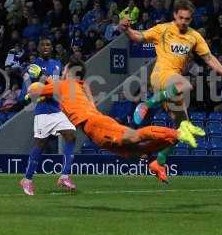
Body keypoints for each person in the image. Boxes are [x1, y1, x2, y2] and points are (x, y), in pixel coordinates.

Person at [119, 0, 222, 182]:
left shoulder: (194, 36)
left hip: (173, 84)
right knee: (186, 84)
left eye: (187, 19)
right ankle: (148, 103)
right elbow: (139, 37)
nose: (184, 22)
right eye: (181, 18)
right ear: (175, 16)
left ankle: (159, 162)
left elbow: (209, 59)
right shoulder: (163, 29)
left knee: (183, 129)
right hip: (161, 75)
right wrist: (127, 29)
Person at [27, 56, 200, 167]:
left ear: (70, 72)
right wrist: (43, 78)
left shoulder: (65, 85)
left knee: (135, 136)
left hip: (96, 125)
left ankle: (177, 133)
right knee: (136, 150)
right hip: (94, 131)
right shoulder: (76, 85)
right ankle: (166, 147)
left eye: (64, 69)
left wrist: (35, 77)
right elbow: (56, 86)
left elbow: (37, 91)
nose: (62, 72)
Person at [19, 38, 77, 196]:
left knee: (71, 135)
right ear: (38, 47)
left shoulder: (57, 64)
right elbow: (26, 91)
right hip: (43, 111)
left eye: (49, 44)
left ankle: (64, 176)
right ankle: (27, 179)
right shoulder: (32, 67)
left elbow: (56, 87)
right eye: (43, 45)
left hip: (56, 110)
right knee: (39, 146)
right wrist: (28, 96)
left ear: (52, 48)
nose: (46, 47)